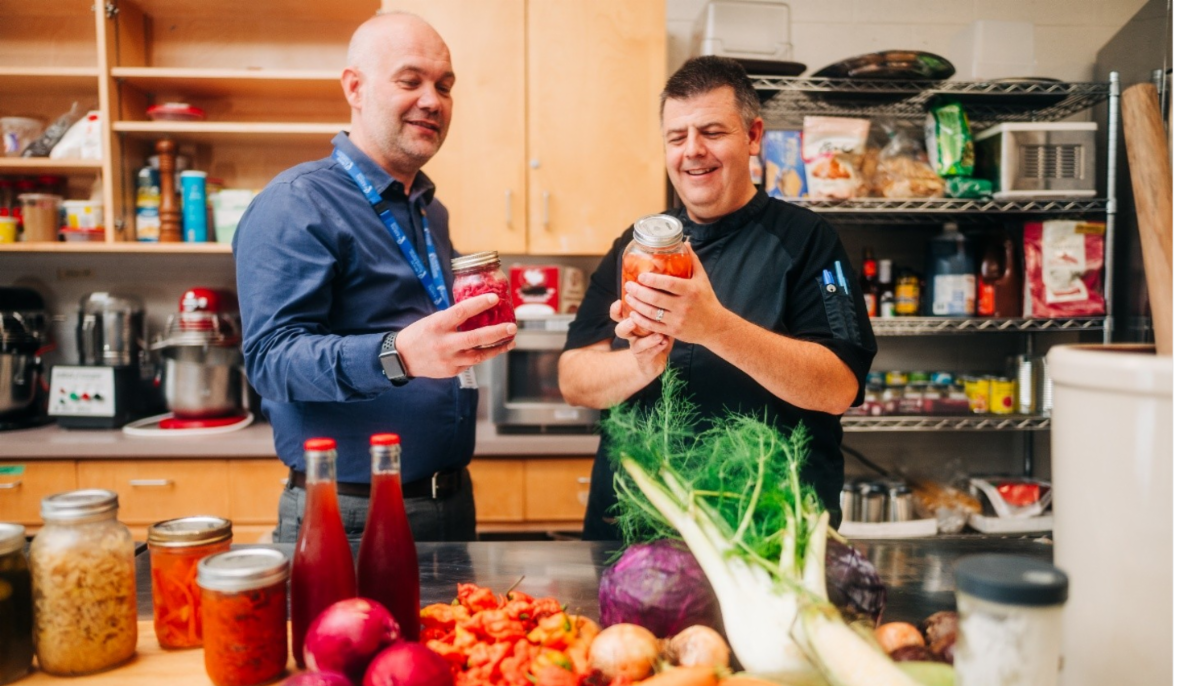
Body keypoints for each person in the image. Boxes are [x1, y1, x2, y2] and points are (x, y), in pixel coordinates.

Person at [559, 55, 876, 540]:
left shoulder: (808, 240)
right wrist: (642, 364)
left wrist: (715, 328)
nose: (692, 152)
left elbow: (838, 388)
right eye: (676, 137)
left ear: (752, 137)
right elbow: (574, 378)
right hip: (634, 534)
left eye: (711, 132)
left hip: (763, 535)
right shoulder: (635, 247)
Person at [234, 12, 515, 542]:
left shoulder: (431, 210)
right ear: (355, 88)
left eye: (445, 86)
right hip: (348, 515)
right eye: (411, 81)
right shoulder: (296, 203)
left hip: (448, 502)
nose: (433, 100)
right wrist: (399, 355)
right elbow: (271, 360)